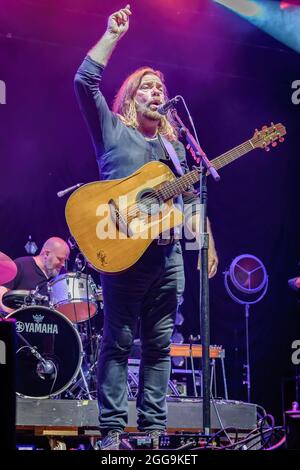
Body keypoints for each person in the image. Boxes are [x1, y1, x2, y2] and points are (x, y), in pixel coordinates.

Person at [74, 5, 218, 449]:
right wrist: (113, 35)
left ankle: (154, 434)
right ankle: (113, 433)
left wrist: (208, 240)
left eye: (160, 87)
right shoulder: (114, 130)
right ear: (132, 97)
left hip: (169, 255)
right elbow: (84, 82)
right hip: (122, 250)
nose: (157, 92)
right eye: (147, 87)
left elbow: (193, 198)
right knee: (117, 343)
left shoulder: (176, 152)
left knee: (159, 347)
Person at [0, 237, 70, 313]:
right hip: (22, 322)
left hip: (49, 323)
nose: (63, 264)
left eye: (65, 260)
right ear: (46, 254)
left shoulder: (62, 276)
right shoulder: (22, 265)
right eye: (60, 259)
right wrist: (13, 316)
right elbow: (2, 292)